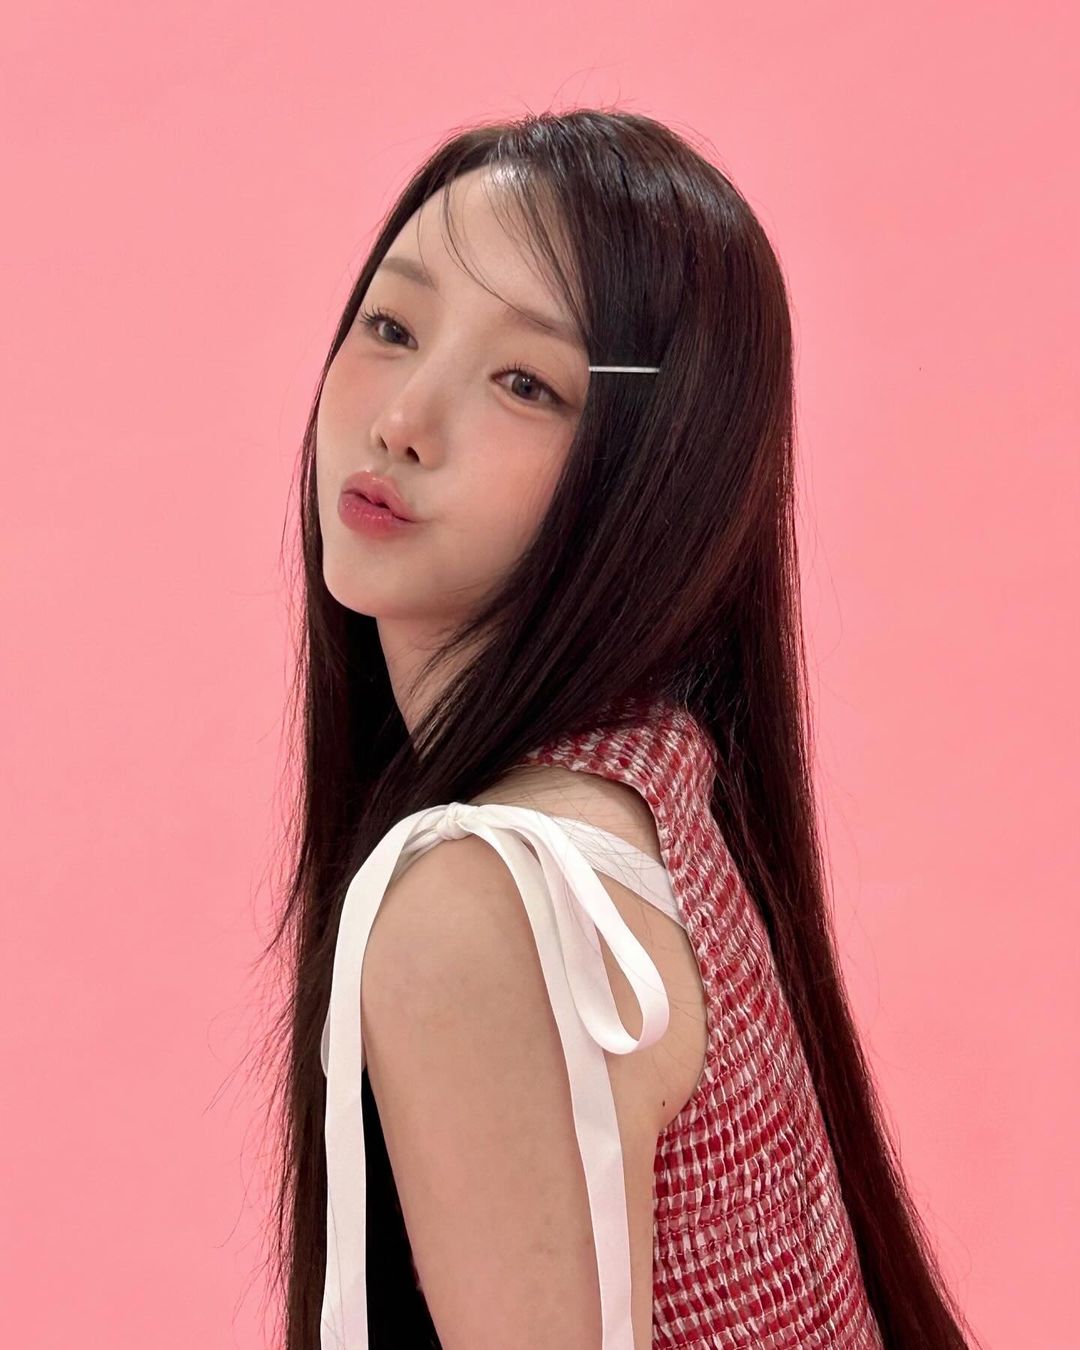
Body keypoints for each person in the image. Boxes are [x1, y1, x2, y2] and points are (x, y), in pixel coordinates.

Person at [258, 108, 981, 1349]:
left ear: (657, 472)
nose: (402, 420)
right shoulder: (655, 784)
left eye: (526, 383)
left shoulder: (495, 898)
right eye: (392, 327)